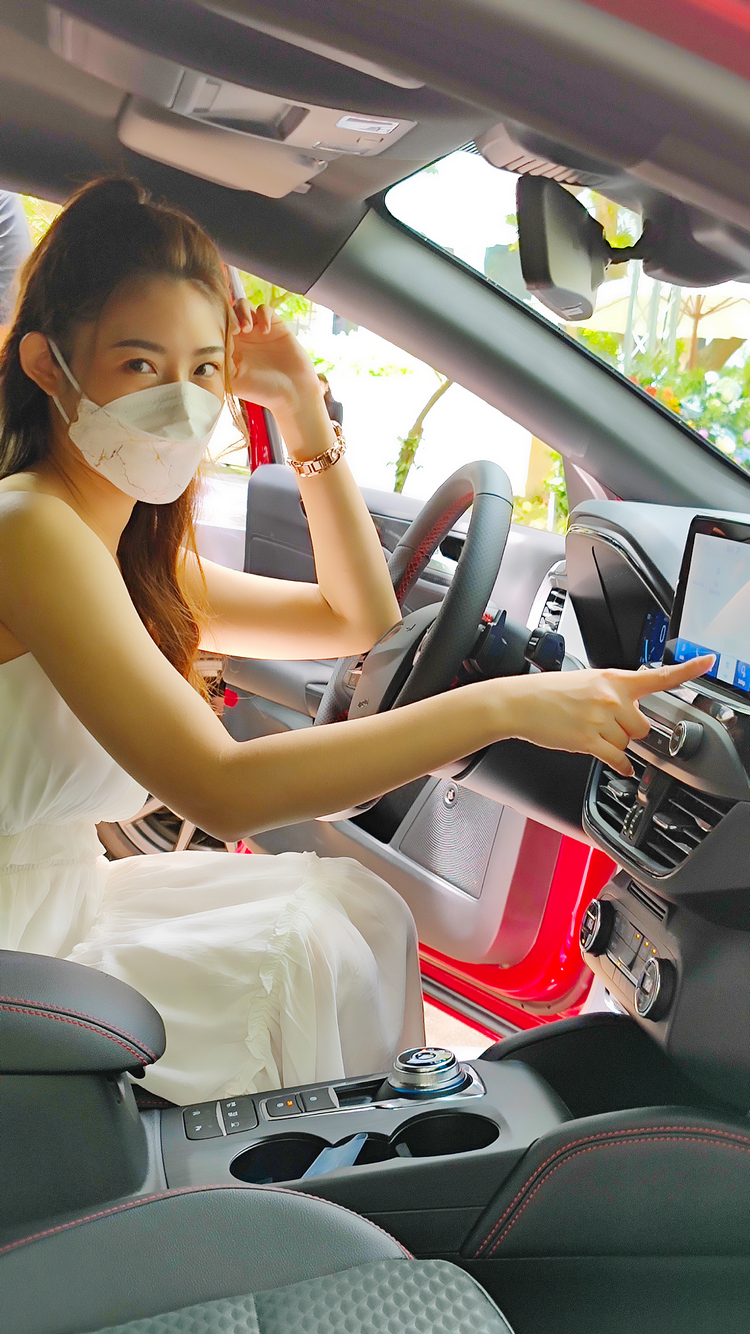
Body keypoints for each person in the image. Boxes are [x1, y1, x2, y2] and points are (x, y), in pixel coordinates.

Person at [0, 177, 711, 1105]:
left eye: (205, 370)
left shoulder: (113, 546)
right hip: (25, 950)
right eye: (140, 365)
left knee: (350, 914)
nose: (180, 404)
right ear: (49, 366)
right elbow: (222, 790)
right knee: (321, 943)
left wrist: (300, 403)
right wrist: (507, 705)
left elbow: (358, 620)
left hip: (59, 912)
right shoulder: (31, 530)